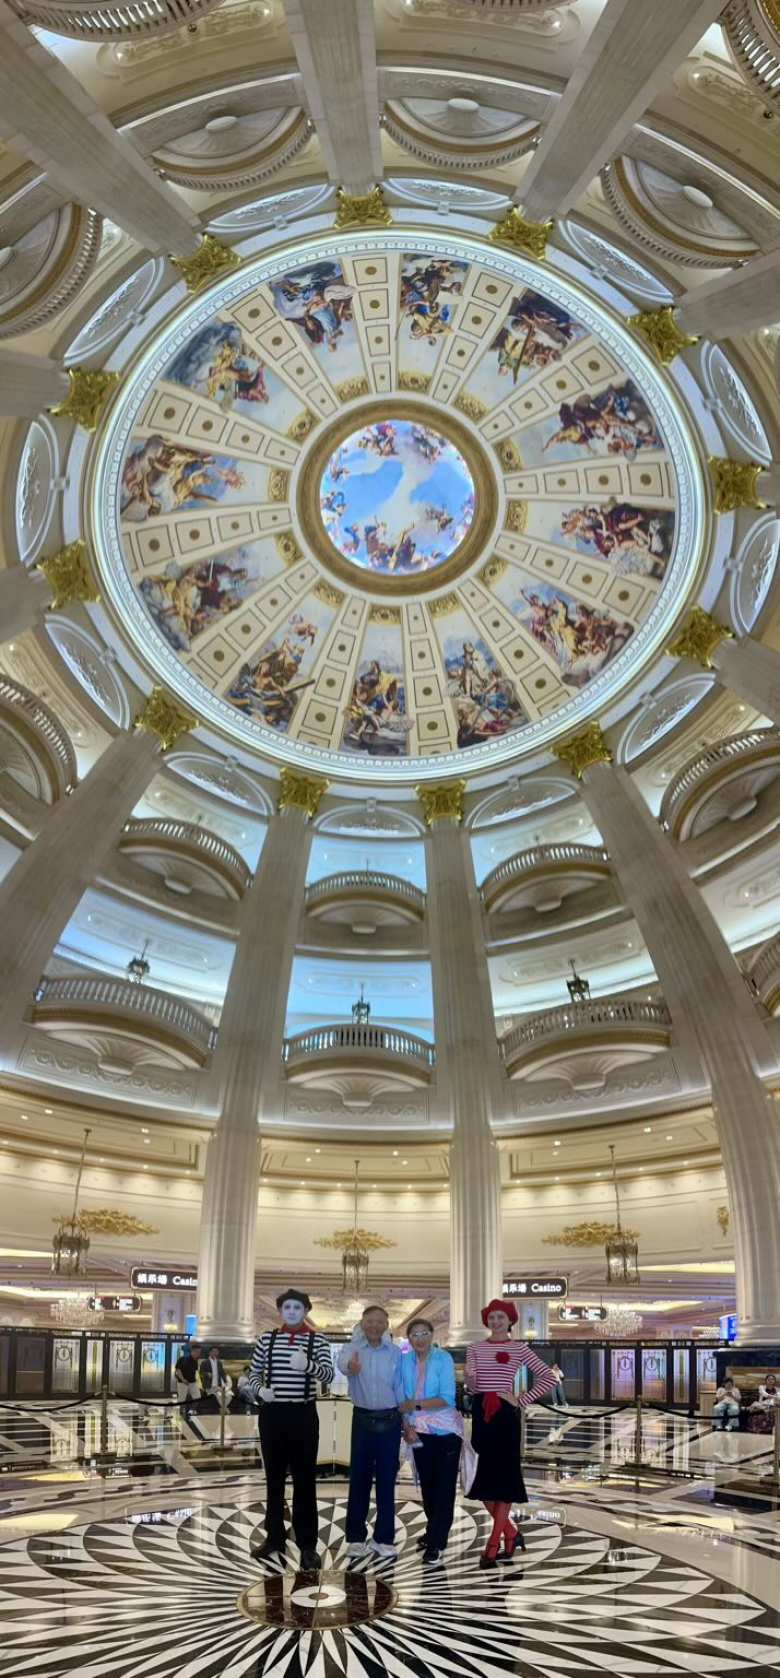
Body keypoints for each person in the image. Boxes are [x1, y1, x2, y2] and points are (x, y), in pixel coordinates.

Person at [465, 1298, 557, 1569]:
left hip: (505, 1416)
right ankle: (512, 1533)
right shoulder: (475, 1348)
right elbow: (472, 1386)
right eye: (492, 1317)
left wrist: (522, 1399)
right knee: (482, 1485)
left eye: (500, 1318)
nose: (495, 1322)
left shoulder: (519, 1348)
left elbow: (549, 1377)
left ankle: (493, 1545)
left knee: (504, 1482)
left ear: (509, 1321)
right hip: (482, 1413)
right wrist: (470, 1381)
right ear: (486, 1320)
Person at [247, 1288, 334, 1570]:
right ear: (281, 1311)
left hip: (303, 1415)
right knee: (273, 1479)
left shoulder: (318, 1339)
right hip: (272, 1414)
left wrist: (307, 1364)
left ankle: (307, 1544)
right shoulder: (267, 1339)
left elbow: (328, 1375)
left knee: (304, 1481)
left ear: (306, 1310)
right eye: (287, 1307)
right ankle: (274, 1538)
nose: (292, 1311)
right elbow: (252, 1374)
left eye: (298, 1307)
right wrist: (261, 1391)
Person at [338, 1305, 404, 1563]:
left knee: (387, 1481)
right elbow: (343, 1365)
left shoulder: (396, 1353)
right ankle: (355, 1538)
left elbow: (401, 1387)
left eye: (379, 1322)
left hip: (391, 1420)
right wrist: (350, 1367)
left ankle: (384, 1539)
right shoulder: (352, 1348)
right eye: (369, 1321)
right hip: (362, 1420)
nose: (374, 1326)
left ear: (386, 1324)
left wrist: (407, 1421)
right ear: (362, 1323)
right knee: (360, 1480)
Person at [400, 1319, 462, 1565]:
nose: (420, 1338)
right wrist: (407, 1425)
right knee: (428, 1488)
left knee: (444, 1489)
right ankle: (432, 1531)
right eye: (414, 1334)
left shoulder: (443, 1359)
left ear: (432, 1335)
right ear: (409, 1339)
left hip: (446, 1432)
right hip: (419, 1431)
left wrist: (414, 1406)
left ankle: (437, 1543)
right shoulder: (405, 1361)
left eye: (424, 1333)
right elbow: (401, 1396)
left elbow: (446, 1397)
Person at [174, 1342, 203, 1413]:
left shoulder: (195, 1361)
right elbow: (178, 1370)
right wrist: (183, 1379)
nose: (198, 1353)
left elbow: (196, 1373)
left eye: (199, 1352)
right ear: (192, 1351)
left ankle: (191, 1410)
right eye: (197, 1352)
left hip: (193, 1382)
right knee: (182, 1399)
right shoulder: (183, 1359)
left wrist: (199, 1382)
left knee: (197, 1397)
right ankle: (181, 1412)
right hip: (183, 1382)